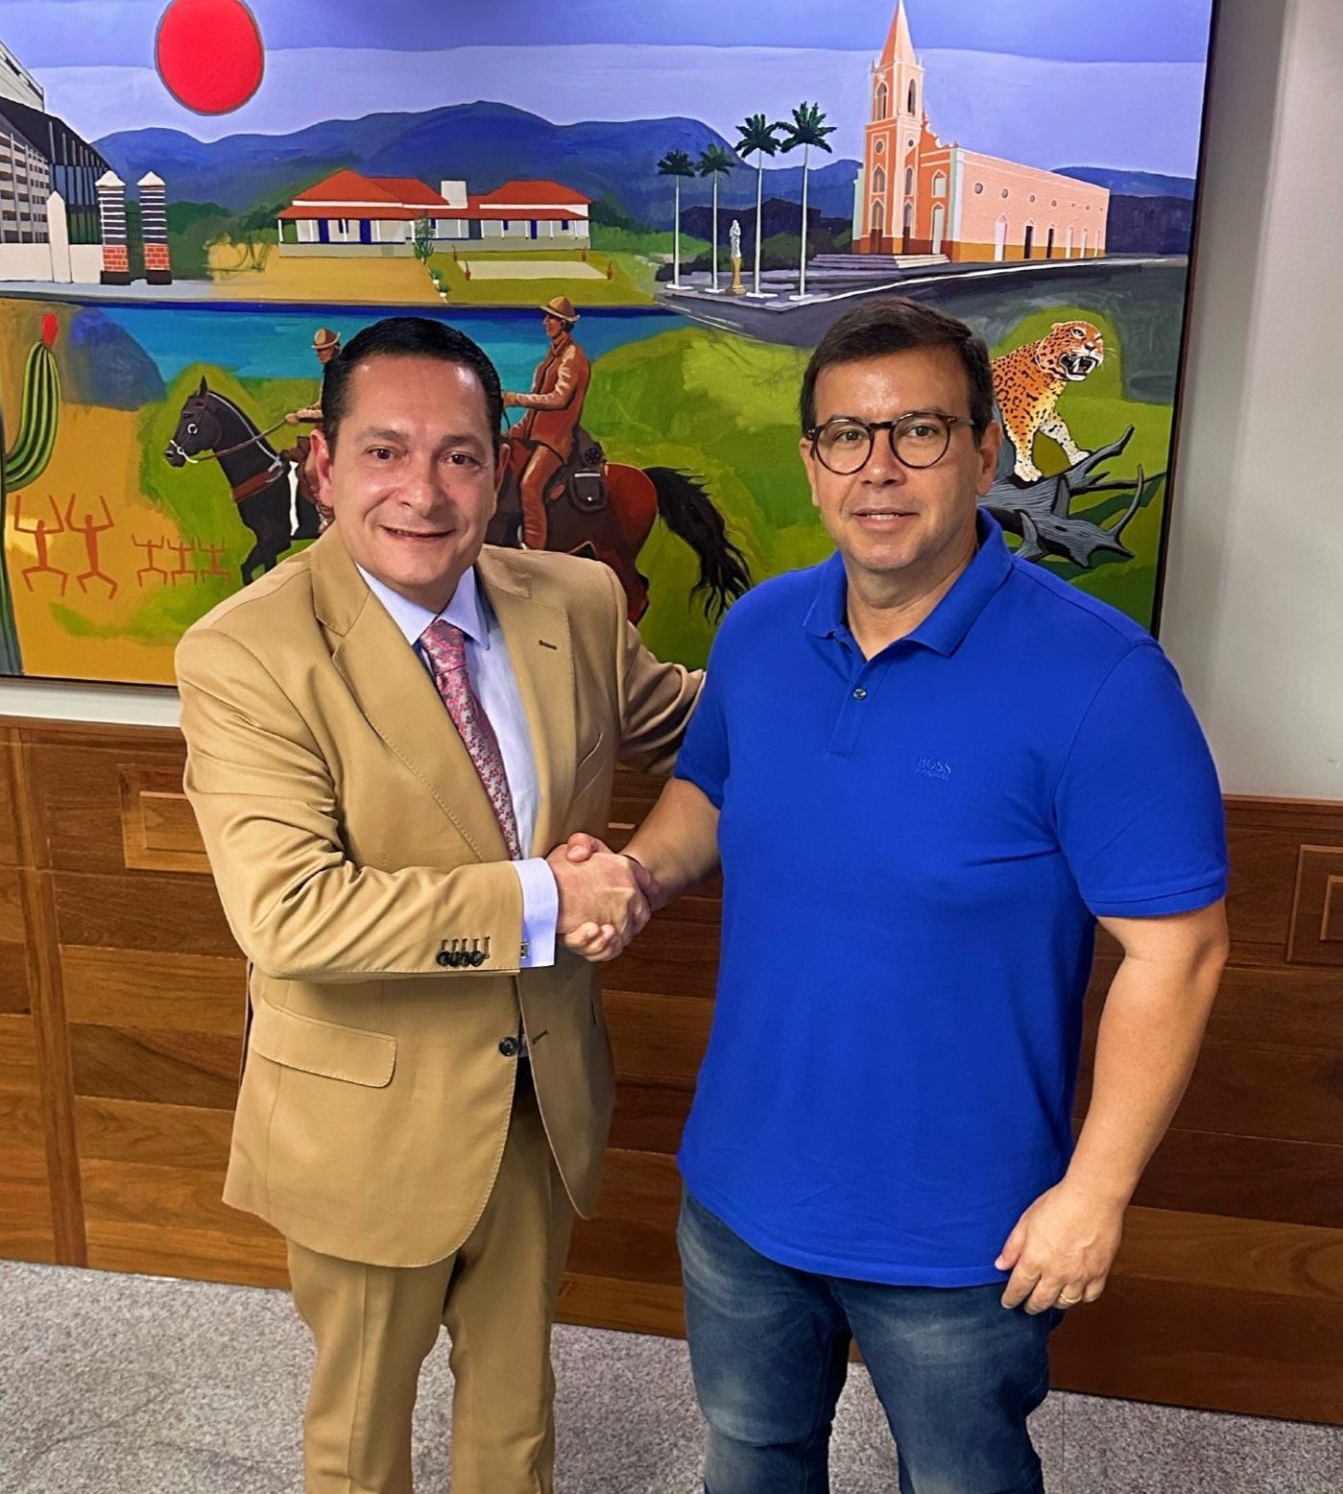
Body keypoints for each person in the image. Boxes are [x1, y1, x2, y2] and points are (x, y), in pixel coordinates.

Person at [564, 297, 1230, 1493]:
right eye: (845, 436)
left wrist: (1094, 1193)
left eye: (917, 432)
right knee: (751, 1457)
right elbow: (710, 790)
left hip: (966, 1227)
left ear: (982, 449)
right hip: (742, 1190)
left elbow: (1177, 953)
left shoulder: (1104, 680)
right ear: (811, 460)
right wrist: (637, 873)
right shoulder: (761, 631)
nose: (878, 468)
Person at [175, 315, 700, 1494]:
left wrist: (856, 647)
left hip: (539, 1096)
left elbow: (698, 729)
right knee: (361, 1437)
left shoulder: (575, 601)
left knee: (516, 1420)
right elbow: (291, 914)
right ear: (323, 466)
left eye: (459, 455)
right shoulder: (245, 652)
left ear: (496, 468)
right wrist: (546, 895)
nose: (423, 491)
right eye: (385, 451)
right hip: (368, 1121)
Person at [502, 296, 591, 552]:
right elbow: (535, 410)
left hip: (555, 439)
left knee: (530, 487)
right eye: (547, 317)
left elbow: (559, 399)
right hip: (535, 435)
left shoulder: (572, 357)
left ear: (563, 323)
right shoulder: (552, 355)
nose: (545, 322)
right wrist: (512, 432)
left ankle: (534, 551)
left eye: (551, 318)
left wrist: (515, 398)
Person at [284, 326, 343, 532]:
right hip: (323, 431)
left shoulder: (340, 374)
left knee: (311, 470)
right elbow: (321, 405)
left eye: (322, 350)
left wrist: (301, 416)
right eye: (317, 350)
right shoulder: (330, 373)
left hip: (335, 433)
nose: (318, 354)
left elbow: (332, 410)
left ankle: (329, 516)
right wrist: (307, 410)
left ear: (332, 349)